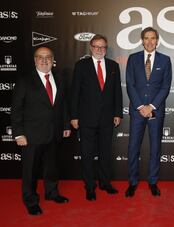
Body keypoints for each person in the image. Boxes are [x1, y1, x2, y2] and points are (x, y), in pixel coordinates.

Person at [11, 46, 71, 215]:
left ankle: (52, 193)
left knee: (51, 167)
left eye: (48, 57)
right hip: (31, 135)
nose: (44, 60)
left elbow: (62, 105)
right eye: (40, 57)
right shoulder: (25, 80)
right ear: (35, 60)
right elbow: (16, 109)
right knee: (30, 171)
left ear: (53, 60)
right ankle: (30, 200)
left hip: (54, 131)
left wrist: (66, 125)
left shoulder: (59, 78)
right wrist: (18, 133)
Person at [70, 34, 123, 201]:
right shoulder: (81, 66)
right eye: (97, 46)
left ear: (106, 49)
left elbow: (117, 92)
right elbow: (75, 92)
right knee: (87, 154)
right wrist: (74, 116)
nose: (100, 50)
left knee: (105, 152)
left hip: (107, 118)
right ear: (91, 48)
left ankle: (105, 183)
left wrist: (118, 113)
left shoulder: (113, 65)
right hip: (86, 118)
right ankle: (90, 186)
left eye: (103, 47)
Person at [125, 27, 172, 197]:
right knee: (133, 148)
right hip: (137, 111)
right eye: (146, 38)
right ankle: (132, 182)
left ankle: (153, 181)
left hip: (155, 111)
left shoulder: (165, 60)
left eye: (153, 38)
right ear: (142, 40)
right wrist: (140, 107)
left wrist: (151, 107)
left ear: (157, 41)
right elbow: (130, 84)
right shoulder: (133, 59)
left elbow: (166, 87)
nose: (150, 41)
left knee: (155, 148)